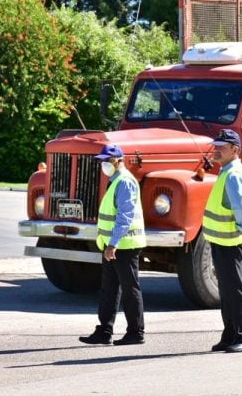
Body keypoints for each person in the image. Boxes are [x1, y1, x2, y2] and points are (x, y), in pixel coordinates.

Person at [79, 144, 147, 346]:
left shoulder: (125, 182)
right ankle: (104, 331)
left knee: (129, 289)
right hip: (114, 244)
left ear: (118, 160)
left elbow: (125, 216)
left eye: (107, 161)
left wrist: (113, 244)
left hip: (124, 244)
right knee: (109, 289)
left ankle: (136, 332)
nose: (104, 165)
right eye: (102, 161)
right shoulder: (115, 180)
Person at [203, 129, 242, 353]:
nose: (216, 150)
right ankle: (229, 335)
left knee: (234, 291)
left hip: (232, 243)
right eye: (216, 145)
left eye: (221, 147)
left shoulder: (234, 174)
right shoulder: (226, 171)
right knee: (226, 293)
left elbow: (240, 206)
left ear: (235, 150)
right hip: (221, 241)